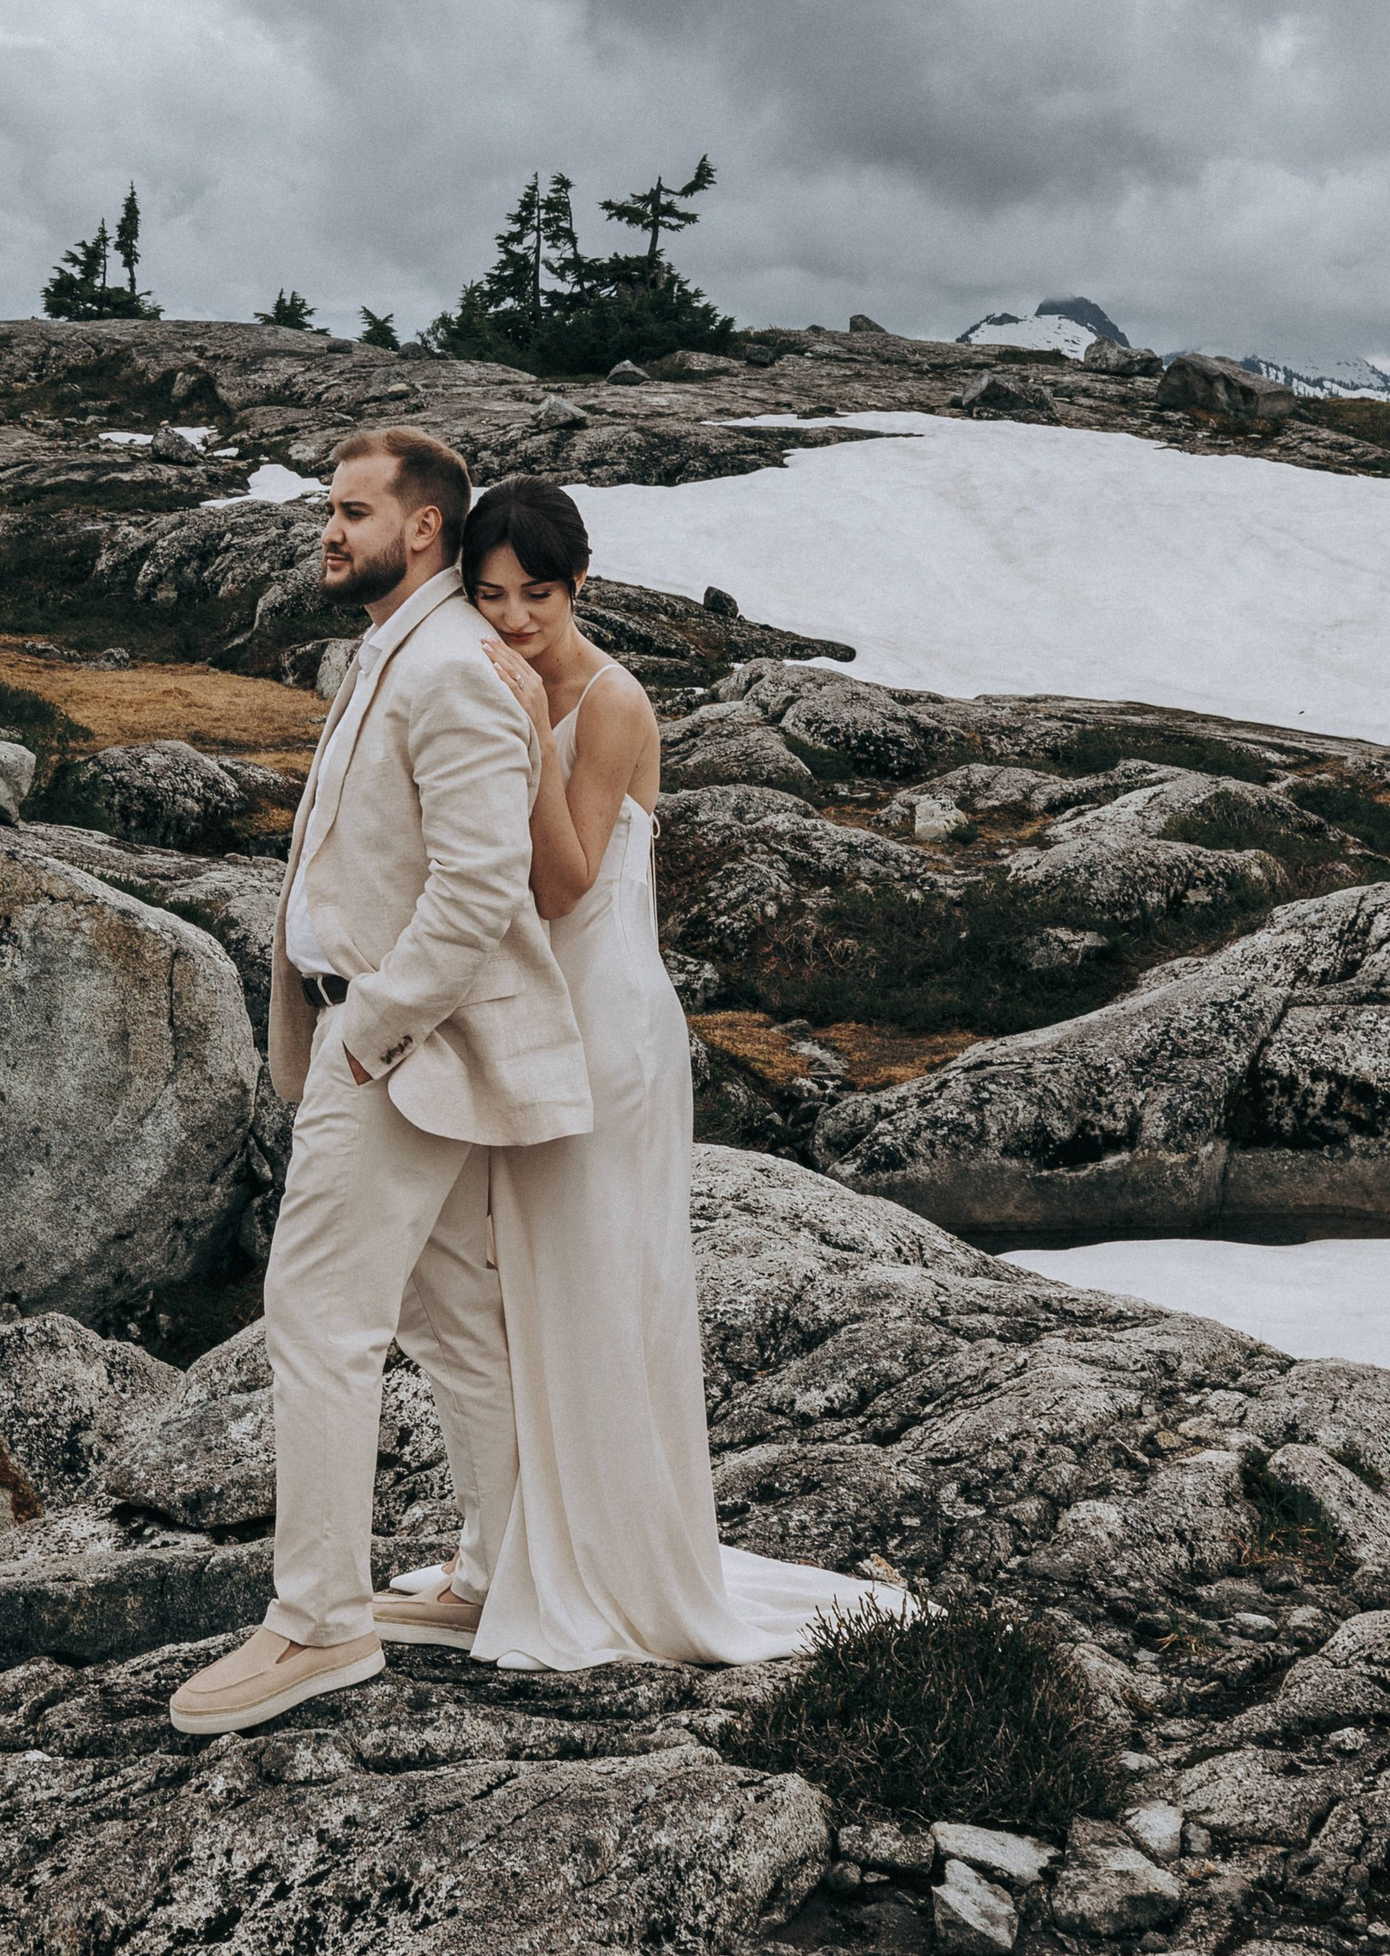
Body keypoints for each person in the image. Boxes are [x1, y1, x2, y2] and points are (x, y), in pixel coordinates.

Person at [384, 472, 913, 1671]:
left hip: (607, 1026)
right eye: (490, 595)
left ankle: (610, 1565)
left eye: (536, 594)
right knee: (530, 1288)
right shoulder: (494, 673)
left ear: (580, 584)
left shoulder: (609, 700)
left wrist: (525, 727)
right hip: (536, 1021)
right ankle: (529, 1544)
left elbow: (565, 879)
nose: (513, 617)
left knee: (595, 1288)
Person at [168, 427, 594, 1738]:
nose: (327, 527)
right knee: (452, 1314)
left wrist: (371, 1031)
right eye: (328, 506)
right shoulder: (397, 647)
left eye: (350, 509)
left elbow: (479, 889)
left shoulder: (453, 666)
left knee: (318, 1314)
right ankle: (504, 1568)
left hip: (399, 1051)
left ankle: (318, 1623)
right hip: (384, 1042)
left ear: (421, 527)